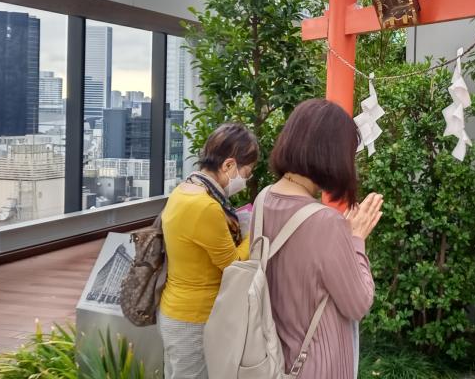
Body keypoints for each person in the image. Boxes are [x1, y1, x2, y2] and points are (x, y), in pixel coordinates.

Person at [256, 99, 383, 379]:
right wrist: (356, 239)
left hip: (273, 357)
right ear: (332, 154)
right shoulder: (326, 222)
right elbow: (358, 303)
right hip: (317, 365)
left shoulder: (264, 198)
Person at [158, 123, 258, 379]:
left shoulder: (185, 190)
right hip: (193, 319)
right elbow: (233, 265)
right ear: (228, 165)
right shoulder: (206, 206)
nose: (245, 180)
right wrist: (256, 229)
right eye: (246, 172)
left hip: (177, 311)